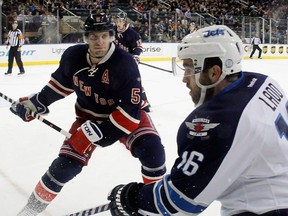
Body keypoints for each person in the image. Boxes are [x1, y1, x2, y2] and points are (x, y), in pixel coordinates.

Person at [107, 25, 288, 216]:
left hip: (264, 209)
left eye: (189, 68)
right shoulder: (262, 81)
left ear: (214, 73)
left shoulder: (216, 123)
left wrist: (133, 196)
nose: (185, 78)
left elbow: (179, 202)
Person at [11, 11, 166, 216]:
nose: (99, 42)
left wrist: (96, 135)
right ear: (86, 38)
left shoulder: (125, 63)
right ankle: (29, 210)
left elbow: (130, 114)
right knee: (63, 168)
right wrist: (36, 104)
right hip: (88, 117)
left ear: (112, 37)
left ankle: (154, 207)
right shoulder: (73, 56)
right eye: (93, 37)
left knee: (153, 153)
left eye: (104, 36)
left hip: (125, 117)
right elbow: (60, 86)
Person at [113, 11, 151, 112]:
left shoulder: (132, 34)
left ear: (125, 21)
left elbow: (138, 47)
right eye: (117, 21)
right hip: (116, 62)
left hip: (128, 62)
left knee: (133, 82)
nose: (118, 23)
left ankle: (144, 103)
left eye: (120, 21)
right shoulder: (113, 31)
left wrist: (135, 55)